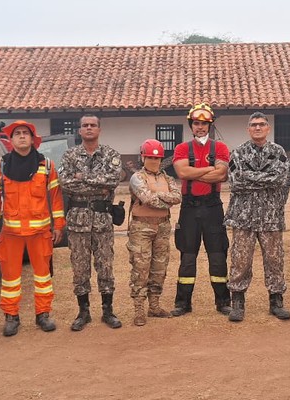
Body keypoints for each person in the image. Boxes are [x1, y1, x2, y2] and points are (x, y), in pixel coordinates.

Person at [0, 121, 65, 335]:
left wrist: (58, 225)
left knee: (42, 277)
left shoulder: (46, 166)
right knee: (10, 278)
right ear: (10, 140)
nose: (22, 137)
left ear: (33, 139)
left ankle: (43, 315)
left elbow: (56, 199)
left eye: (25, 133)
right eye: (17, 134)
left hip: (40, 233)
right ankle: (11, 317)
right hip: (10, 234)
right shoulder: (0, 166)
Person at [58, 114, 123, 331]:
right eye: (84, 125)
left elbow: (113, 180)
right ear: (79, 130)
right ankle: (83, 312)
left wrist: (81, 177)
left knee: (105, 265)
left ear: (99, 129)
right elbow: (65, 184)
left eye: (92, 125)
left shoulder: (110, 154)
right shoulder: (69, 155)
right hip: (77, 219)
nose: (88, 128)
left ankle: (108, 311)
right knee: (79, 267)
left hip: (103, 218)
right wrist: (97, 184)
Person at [225, 112, 290, 322]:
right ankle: (237, 302)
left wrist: (250, 176)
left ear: (268, 128)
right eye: (253, 125)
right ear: (248, 129)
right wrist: (265, 178)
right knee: (240, 260)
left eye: (262, 124)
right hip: (243, 216)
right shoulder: (238, 152)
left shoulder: (278, 151)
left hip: (270, 216)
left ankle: (276, 301)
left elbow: (280, 179)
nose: (257, 128)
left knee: (274, 260)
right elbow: (235, 182)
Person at [171, 103, 232, 317]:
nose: (200, 127)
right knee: (187, 257)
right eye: (196, 123)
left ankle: (223, 301)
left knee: (218, 256)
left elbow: (222, 175)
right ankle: (183, 303)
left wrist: (194, 172)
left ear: (210, 125)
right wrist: (208, 169)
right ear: (191, 125)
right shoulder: (182, 148)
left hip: (213, 206)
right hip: (189, 208)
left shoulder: (221, 148)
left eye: (204, 123)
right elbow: (182, 173)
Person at [126, 139, 182, 326]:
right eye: (150, 157)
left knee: (159, 268)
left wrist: (158, 197)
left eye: (157, 158)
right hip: (141, 227)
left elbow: (178, 197)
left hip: (163, 227)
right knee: (141, 269)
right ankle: (139, 309)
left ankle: (154, 305)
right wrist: (164, 199)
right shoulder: (137, 177)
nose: (153, 161)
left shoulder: (167, 178)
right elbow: (147, 199)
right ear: (143, 157)